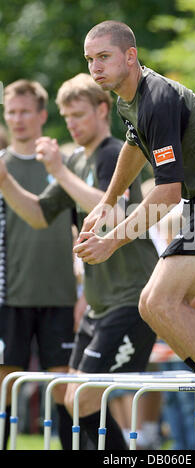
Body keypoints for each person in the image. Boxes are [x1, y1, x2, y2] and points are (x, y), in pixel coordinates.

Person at [74, 20, 195, 450]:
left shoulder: (158, 98)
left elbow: (165, 194)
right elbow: (133, 145)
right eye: (90, 59)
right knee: (152, 304)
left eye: (103, 56)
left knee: (161, 299)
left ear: (131, 56)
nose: (95, 67)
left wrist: (113, 240)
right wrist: (108, 203)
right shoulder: (131, 100)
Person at [0, 73, 158, 450]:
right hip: (100, 304)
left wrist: (57, 171)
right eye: (66, 116)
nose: (71, 124)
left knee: (84, 399)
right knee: (73, 399)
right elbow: (39, 213)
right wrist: (4, 180)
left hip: (131, 297)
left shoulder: (110, 153)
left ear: (103, 110)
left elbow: (111, 210)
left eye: (79, 115)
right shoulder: (76, 161)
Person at [0, 80, 77, 449]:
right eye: (11, 112)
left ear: (43, 115)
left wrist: (83, 291)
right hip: (8, 299)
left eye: (25, 111)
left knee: (63, 388)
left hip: (60, 297)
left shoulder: (65, 165)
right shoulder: (1, 167)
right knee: (4, 388)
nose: (18, 119)